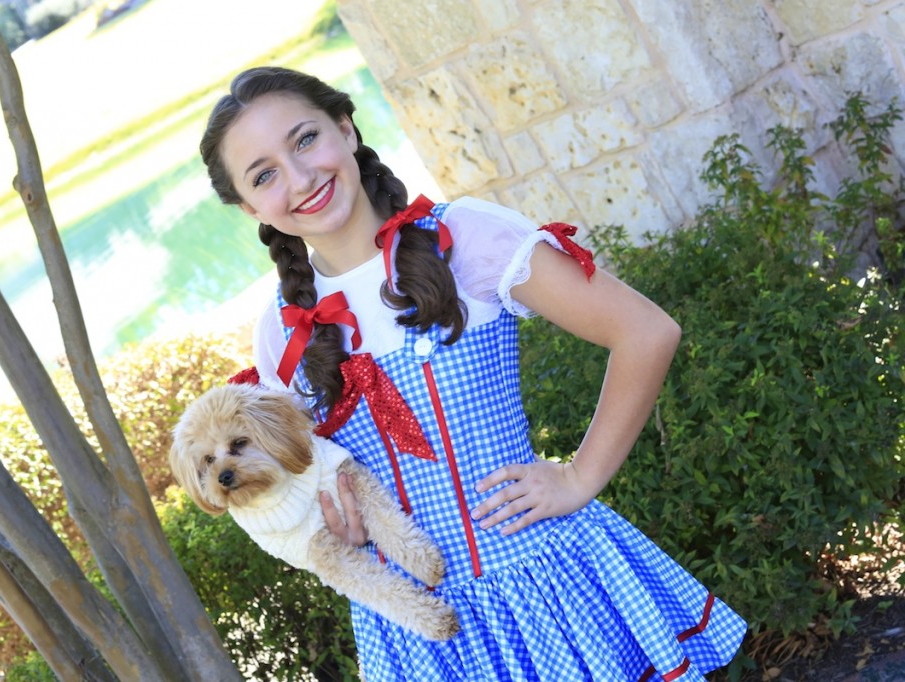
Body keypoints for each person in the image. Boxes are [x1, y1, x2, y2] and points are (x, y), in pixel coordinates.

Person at [199, 65, 747, 681]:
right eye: (265, 174)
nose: (299, 177)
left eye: (305, 139)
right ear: (249, 206)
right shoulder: (280, 331)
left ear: (347, 129)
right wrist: (335, 526)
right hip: (420, 630)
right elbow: (298, 482)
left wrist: (579, 477)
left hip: (545, 587)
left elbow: (645, 333)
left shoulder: (465, 238)